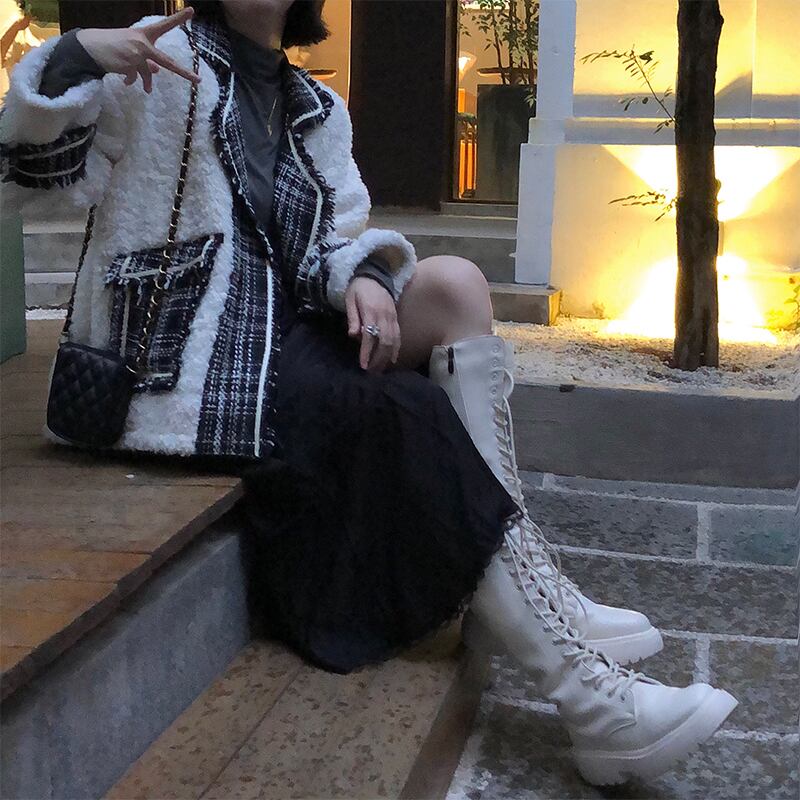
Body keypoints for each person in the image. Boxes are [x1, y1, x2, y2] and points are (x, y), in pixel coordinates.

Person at [0, 1, 737, 785]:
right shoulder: (154, 57)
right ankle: (590, 696)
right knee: (401, 410)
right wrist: (77, 55)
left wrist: (371, 280)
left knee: (454, 284)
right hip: (188, 355)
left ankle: (529, 581)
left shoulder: (315, 104)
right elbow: (25, 179)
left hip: (290, 331)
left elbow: (340, 234)